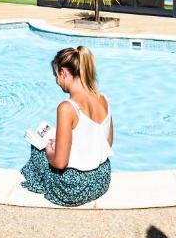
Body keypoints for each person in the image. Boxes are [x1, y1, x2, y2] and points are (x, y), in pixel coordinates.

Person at [20, 46, 113, 207]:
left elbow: (60, 163)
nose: (57, 81)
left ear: (63, 72)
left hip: (75, 188)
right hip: (102, 178)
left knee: (38, 149)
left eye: (56, 75)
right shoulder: (103, 99)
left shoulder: (67, 107)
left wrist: (50, 152)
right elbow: (107, 143)